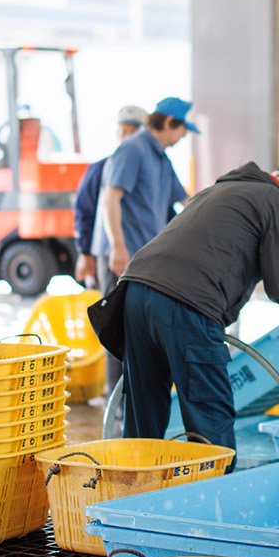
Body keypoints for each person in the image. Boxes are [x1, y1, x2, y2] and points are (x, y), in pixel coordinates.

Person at [90, 163, 279, 452]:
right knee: (211, 425)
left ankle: (132, 490)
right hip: (186, 303)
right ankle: (214, 493)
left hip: (135, 293)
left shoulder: (218, 191)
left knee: (143, 422)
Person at [93, 96, 193, 400]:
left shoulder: (161, 158)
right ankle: (118, 403)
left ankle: (135, 400)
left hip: (145, 257)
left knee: (139, 328)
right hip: (122, 255)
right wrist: (117, 246)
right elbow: (112, 197)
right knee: (118, 330)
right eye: (182, 130)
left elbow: (187, 202)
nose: (183, 137)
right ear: (167, 123)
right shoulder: (133, 149)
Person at [74, 104, 147, 288]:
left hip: (143, 255)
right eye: (124, 130)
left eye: (134, 131)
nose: (128, 136)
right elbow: (85, 210)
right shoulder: (100, 168)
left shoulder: (151, 168)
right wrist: (85, 252)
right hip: (110, 256)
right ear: (117, 133)